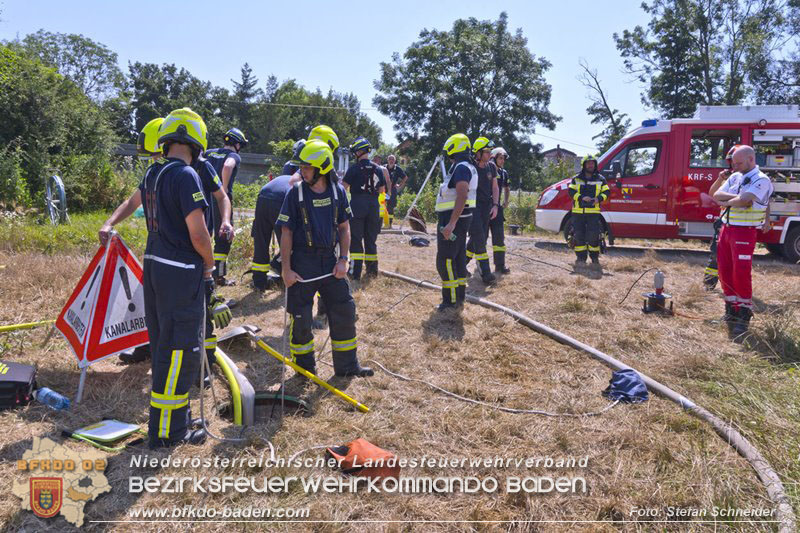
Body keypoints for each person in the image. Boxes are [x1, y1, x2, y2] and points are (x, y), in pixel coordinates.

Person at [108, 107, 211, 447]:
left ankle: (170, 422)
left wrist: (109, 223)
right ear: (196, 142)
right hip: (181, 272)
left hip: (153, 267)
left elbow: (134, 202)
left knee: (162, 344)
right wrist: (209, 264)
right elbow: (198, 233)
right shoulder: (186, 176)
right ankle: (169, 433)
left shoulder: (153, 173)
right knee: (180, 349)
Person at [102, 117, 232, 367]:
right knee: (159, 309)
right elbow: (133, 202)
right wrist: (110, 222)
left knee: (197, 311)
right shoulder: (161, 170)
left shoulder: (200, 168)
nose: (155, 162)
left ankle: (202, 364)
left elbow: (222, 198)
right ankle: (154, 349)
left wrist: (225, 222)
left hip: (194, 250)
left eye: (154, 155)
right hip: (167, 251)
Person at [277, 139, 373, 377]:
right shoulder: (294, 194)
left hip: (330, 262)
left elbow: (344, 228)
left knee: (344, 310)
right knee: (300, 318)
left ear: (321, 169)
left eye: (307, 167)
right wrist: (286, 269)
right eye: (302, 166)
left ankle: (348, 366)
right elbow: (286, 232)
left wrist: (343, 259)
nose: (302, 171)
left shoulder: (338, 191)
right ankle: (304, 369)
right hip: (302, 263)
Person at [712, 145, 773, 338]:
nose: (735, 166)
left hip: (745, 233)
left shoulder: (761, 180)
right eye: (734, 163)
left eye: (738, 163)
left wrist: (728, 200)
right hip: (727, 229)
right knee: (725, 271)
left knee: (741, 273)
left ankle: (743, 314)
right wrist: (735, 200)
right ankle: (731, 310)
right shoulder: (735, 176)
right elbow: (716, 196)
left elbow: (746, 200)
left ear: (751, 159)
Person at [435, 133, 478, 311]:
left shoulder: (461, 168)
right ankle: (459, 297)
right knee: (459, 258)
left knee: (445, 260)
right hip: (462, 219)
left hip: (453, 221)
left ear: (455, 148)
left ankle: (450, 301)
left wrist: (451, 223)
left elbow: (462, 194)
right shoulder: (468, 167)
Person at [205, 127, 248, 284]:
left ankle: (202, 270)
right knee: (224, 235)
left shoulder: (208, 152)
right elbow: (228, 166)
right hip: (220, 199)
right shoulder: (233, 155)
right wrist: (223, 188)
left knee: (204, 232)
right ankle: (219, 275)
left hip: (202, 196)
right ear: (237, 144)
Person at [342, 137, 389, 280]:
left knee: (356, 239)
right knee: (370, 239)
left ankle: (355, 272)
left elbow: (343, 188)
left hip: (357, 204)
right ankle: (372, 271)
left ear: (359, 151)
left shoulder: (354, 169)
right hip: (374, 206)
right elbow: (382, 191)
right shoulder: (378, 169)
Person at [704, 144, 741, 290]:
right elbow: (712, 193)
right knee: (715, 255)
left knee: (735, 258)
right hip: (724, 223)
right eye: (731, 161)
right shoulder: (729, 178)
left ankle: (732, 286)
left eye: (735, 161)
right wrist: (720, 179)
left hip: (740, 225)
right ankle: (709, 284)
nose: (732, 164)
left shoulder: (748, 177)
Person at [465, 137, 499, 284]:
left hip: (487, 207)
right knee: (479, 238)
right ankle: (486, 273)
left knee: (478, 238)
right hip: (472, 207)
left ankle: (459, 265)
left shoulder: (491, 167)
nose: (490, 154)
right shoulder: (469, 166)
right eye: (486, 151)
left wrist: (495, 205)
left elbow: (495, 187)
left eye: (490, 151)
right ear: (478, 153)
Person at [251, 173, 293, 290]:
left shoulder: (282, 179)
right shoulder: (301, 183)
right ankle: (284, 274)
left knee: (261, 241)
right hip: (280, 201)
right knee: (288, 241)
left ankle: (259, 282)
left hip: (263, 196)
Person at [568, 155, 610, 267]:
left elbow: (606, 192)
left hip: (593, 212)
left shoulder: (601, 179)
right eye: (588, 163)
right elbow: (571, 192)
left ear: (595, 165)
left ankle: (594, 258)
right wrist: (581, 197)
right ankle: (581, 258)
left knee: (593, 236)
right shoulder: (576, 178)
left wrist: (598, 199)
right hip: (578, 212)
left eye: (592, 163)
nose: (590, 165)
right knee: (579, 235)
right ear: (584, 165)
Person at [489, 147, 511, 274]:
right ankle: (464, 263)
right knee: (479, 238)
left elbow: (507, 188)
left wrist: (506, 201)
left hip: (498, 209)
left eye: (504, 159)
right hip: (485, 209)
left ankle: (500, 265)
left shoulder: (503, 173)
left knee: (499, 238)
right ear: (494, 157)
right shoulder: (486, 170)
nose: (502, 161)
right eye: (500, 158)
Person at [385, 154, 408, 228]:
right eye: (390, 159)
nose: (391, 161)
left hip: (392, 190)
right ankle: (382, 223)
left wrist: (400, 185)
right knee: (381, 206)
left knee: (390, 207)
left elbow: (405, 177)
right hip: (383, 189)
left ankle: (389, 224)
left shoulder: (397, 169)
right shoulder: (383, 167)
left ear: (395, 161)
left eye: (393, 159)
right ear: (387, 160)